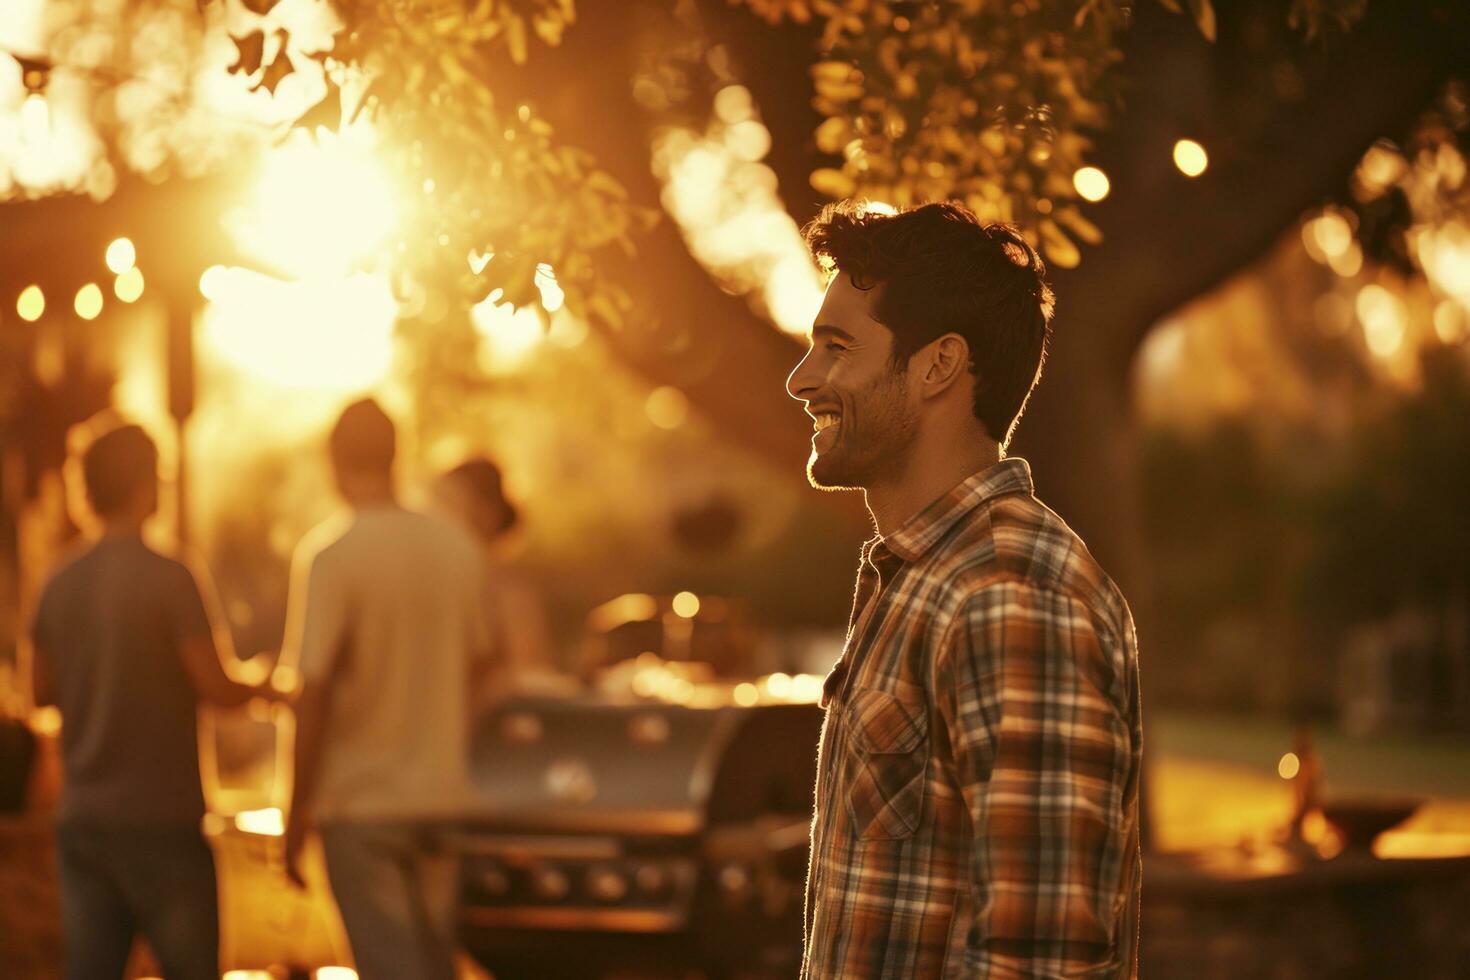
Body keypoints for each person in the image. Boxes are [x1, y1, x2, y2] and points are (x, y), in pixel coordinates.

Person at [785, 202, 1143, 978]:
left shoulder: (1009, 591)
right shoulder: (924, 578)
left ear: (938, 366)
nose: (800, 379)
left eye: (836, 347)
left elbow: (1041, 957)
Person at [27, 412, 273, 980]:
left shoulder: (59, 581)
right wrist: (271, 687)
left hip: (85, 820)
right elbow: (216, 686)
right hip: (164, 820)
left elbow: (39, 691)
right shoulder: (172, 576)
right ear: (144, 484)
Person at [279, 398, 493, 980]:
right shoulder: (458, 548)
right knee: (435, 966)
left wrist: (296, 811)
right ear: (398, 456)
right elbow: (483, 663)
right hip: (444, 796)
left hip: (362, 804)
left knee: (392, 970)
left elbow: (313, 690)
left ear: (334, 462)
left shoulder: (332, 556)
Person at [433, 457, 558, 698]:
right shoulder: (441, 586)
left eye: (449, 507)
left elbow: (531, 678)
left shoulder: (511, 595)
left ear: (486, 515)